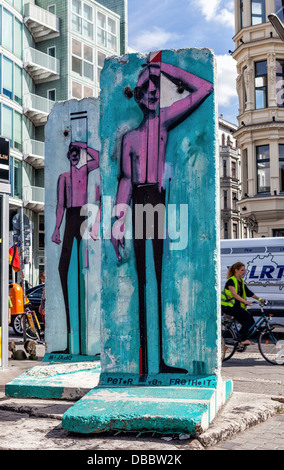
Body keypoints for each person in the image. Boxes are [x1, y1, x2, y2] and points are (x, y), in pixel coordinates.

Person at [111, 51, 213, 376]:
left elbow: (203, 89)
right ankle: (145, 359)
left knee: (157, 275)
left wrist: (161, 68)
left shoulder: (165, 122)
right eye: (147, 89)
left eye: (158, 86)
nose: (154, 91)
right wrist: (117, 221)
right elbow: (125, 181)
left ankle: (160, 360)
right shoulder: (131, 137)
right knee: (143, 277)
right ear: (138, 98)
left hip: (156, 198)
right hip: (140, 199)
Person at [52, 141, 99, 353]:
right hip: (71, 216)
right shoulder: (63, 177)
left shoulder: (86, 170)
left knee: (84, 270)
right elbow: (60, 205)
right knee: (64, 267)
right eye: (71, 153)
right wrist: (55, 229)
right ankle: (70, 338)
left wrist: (82, 145)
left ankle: (87, 340)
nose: (74, 156)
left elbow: (98, 158)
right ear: (67, 156)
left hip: (83, 214)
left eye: (76, 153)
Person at [221, 262, 266, 346]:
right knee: (247, 317)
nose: (244, 272)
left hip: (235, 307)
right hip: (228, 306)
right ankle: (242, 339)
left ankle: (239, 340)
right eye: (242, 270)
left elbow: (249, 293)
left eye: (244, 270)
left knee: (250, 322)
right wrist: (246, 302)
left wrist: (260, 299)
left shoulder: (241, 281)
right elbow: (234, 294)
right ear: (236, 270)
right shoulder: (231, 281)